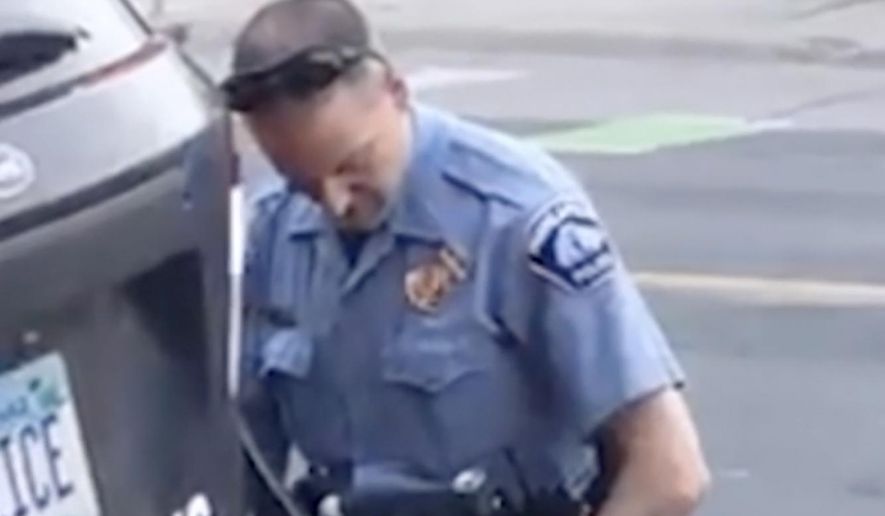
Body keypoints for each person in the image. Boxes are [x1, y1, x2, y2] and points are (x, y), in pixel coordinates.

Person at [225, 0, 710, 515]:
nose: (335, 203)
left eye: (353, 165)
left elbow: (670, 470)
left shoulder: (514, 215)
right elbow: (242, 460)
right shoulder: (274, 228)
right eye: (303, 182)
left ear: (395, 92)